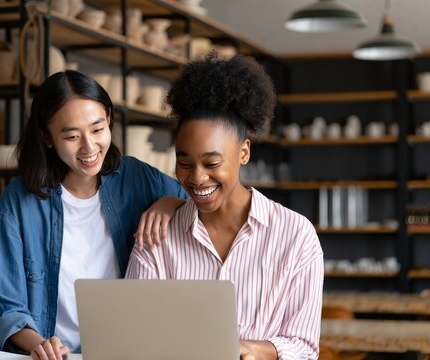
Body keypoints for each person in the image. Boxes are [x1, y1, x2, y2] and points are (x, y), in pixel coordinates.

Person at [126, 53, 324, 360]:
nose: (197, 177)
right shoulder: (156, 237)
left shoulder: (296, 236)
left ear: (244, 152)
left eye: (212, 162)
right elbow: (134, 336)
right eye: (184, 162)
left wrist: (256, 349)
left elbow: (304, 348)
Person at [0, 70, 187, 360]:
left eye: (97, 129)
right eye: (71, 136)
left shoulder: (138, 178)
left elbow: (205, 204)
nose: (89, 147)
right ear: (47, 137)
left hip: (127, 352)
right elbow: (6, 306)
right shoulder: (18, 202)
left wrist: (171, 202)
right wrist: (38, 344)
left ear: (109, 121)